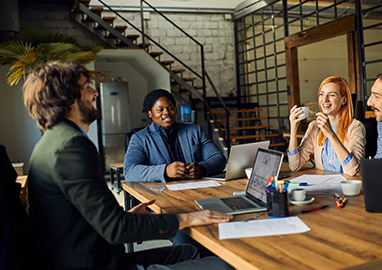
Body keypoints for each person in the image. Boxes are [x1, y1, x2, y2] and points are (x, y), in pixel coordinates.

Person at [24, 60, 233, 270]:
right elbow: (116, 228)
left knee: (190, 251)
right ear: (68, 97)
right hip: (96, 263)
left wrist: (129, 216)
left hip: (94, 254)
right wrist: (187, 218)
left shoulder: (53, 141)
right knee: (222, 266)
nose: (94, 93)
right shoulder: (71, 147)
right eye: (86, 86)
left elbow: (86, 221)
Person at [124, 89, 226, 182]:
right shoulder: (140, 138)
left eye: (170, 108)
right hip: (164, 195)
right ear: (150, 114)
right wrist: (165, 171)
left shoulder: (195, 131)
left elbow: (218, 158)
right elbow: (130, 171)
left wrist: (202, 168)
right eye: (160, 109)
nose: (167, 113)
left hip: (197, 188)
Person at [288, 76, 366, 176]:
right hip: (324, 185)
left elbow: (353, 170)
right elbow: (294, 166)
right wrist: (293, 128)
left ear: (344, 100)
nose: (325, 100)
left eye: (332, 95)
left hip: (347, 186)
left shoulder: (355, 127)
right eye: (321, 94)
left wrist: (330, 134)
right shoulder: (314, 126)